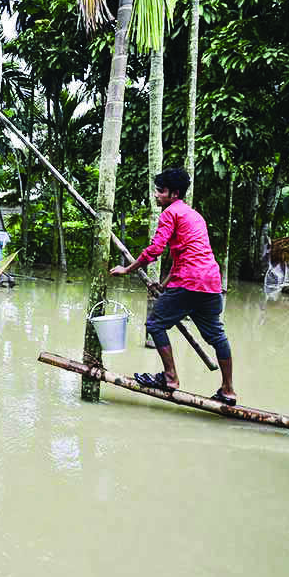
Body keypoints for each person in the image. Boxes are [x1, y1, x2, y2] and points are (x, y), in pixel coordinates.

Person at [109, 168, 236, 404]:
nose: (156, 195)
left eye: (161, 191)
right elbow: (182, 257)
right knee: (217, 336)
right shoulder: (195, 216)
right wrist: (165, 285)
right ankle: (228, 390)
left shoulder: (170, 213)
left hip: (189, 282)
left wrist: (127, 269)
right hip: (211, 283)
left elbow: (155, 250)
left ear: (174, 194)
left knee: (155, 324)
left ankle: (170, 378)